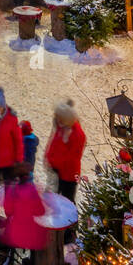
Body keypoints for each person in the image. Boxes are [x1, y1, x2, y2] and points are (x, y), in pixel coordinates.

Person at [46, 101, 86, 243]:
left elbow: (68, 158)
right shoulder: (62, 127)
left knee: (68, 203)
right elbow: (54, 144)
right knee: (55, 199)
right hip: (57, 171)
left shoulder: (77, 135)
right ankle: (57, 226)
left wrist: (54, 161)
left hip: (68, 175)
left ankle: (70, 233)